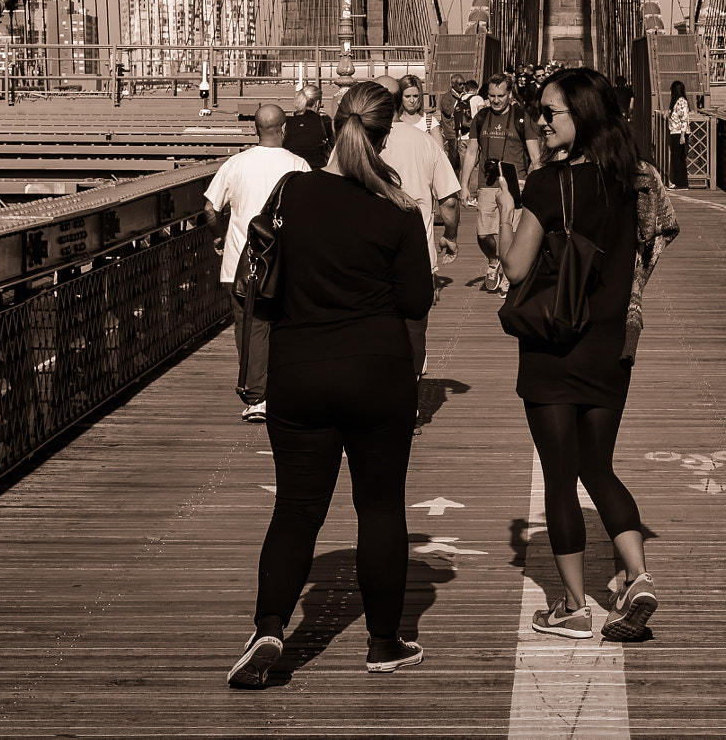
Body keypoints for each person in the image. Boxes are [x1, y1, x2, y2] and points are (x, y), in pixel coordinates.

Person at [228, 82, 434, 689]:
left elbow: (264, 277)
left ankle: (269, 627)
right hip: (377, 373)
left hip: (299, 373)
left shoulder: (290, 192)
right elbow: (417, 300)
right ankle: (383, 642)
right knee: (379, 508)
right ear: (384, 133)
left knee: (295, 509)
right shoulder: (397, 210)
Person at [501, 68, 659, 643]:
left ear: (582, 117)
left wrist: (495, 227)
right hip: (611, 348)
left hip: (553, 348)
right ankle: (637, 577)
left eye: (550, 113)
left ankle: (572, 608)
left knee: (561, 478)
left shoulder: (546, 185)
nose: (540, 121)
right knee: (599, 466)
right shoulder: (630, 182)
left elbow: (516, 268)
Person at [203, 103, 311, 423]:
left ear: (255, 130)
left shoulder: (235, 164)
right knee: (285, 325)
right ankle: (283, 387)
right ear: (284, 129)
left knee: (249, 327)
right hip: (286, 263)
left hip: (241, 262)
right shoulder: (300, 165)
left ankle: (256, 396)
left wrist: (219, 237)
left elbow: (210, 208)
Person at [380, 100, 463, 378]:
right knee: (414, 323)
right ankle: (412, 382)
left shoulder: (356, 143)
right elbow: (449, 201)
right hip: (417, 252)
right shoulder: (425, 141)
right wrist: (449, 236)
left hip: (370, 252)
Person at [469, 72, 541, 294]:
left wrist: (534, 182)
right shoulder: (481, 118)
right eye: (492, 96)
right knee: (483, 234)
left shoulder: (523, 119)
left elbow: (535, 157)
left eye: (501, 95)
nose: (496, 100)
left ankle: (509, 273)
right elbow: (471, 152)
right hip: (487, 182)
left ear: (510, 94)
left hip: (516, 181)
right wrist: (463, 186)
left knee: (511, 230)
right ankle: (494, 260)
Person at [282, 83, 334, 169]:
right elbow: (333, 145)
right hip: (316, 169)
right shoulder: (324, 121)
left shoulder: (287, 122)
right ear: (317, 103)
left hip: (291, 169)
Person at [665, 79, 692, 190]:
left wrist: (682, 136)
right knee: (679, 158)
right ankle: (680, 183)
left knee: (678, 158)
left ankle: (680, 184)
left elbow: (684, 119)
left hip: (678, 133)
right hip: (676, 132)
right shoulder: (678, 102)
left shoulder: (681, 102)